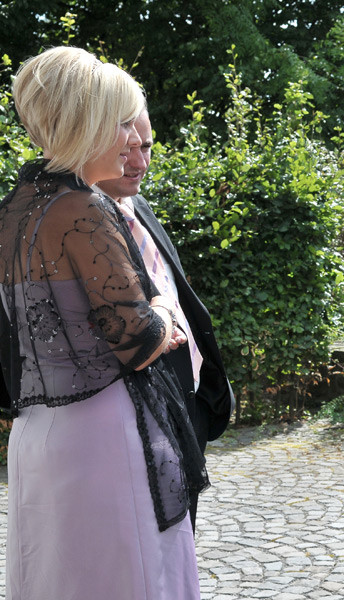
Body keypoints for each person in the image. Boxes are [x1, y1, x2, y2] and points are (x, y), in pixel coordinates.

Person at [0, 46, 206, 599]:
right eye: (120, 124)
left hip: (39, 431)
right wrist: (163, 311)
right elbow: (134, 338)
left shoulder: (15, 208)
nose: (131, 140)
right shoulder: (84, 209)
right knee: (129, 578)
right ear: (88, 123)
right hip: (103, 430)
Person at [96, 108, 234, 530]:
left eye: (147, 147)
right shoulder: (82, 226)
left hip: (187, 406)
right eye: (127, 150)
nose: (140, 163)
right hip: (133, 418)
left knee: (179, 550)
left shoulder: (137, 205)